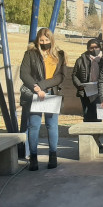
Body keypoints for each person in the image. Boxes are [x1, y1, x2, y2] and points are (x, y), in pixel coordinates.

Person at [20, 28, 66, 171]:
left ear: (51, 40)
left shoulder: (59, 54)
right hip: (34, 94)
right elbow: (24, 73)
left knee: (52, 126)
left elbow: (60, 76)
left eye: (47, 40)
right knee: (33, 126)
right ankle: (33, 157)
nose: (44, 42)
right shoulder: (30, 54)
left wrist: (42, 86)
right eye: (41, 40)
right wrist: (36, 88)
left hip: (51, 93)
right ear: (37, 40)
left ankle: (53, 155)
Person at [71, 38, 103, 150]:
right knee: (87, 116)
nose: (94, 49)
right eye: (91, 47)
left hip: (100, 91)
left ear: (100, 47)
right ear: (88, 48)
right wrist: (79, 85)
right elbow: (74, 75)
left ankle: (97, 140)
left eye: (96, 47)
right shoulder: (81, 59)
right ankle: (88, 141)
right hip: (86, 91)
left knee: (98, 117)